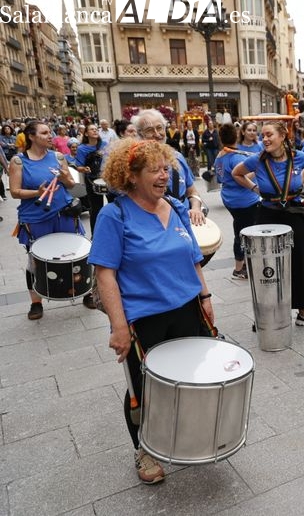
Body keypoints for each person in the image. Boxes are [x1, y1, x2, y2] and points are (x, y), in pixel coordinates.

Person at [88, 138, 215, 485]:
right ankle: (143, 450)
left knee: (190, 378)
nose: (163, 176)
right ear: (131, 175)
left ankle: (184, 436)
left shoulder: (174, 206)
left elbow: (192, 256)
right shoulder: (115, 215)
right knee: (143, 389)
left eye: (165, 169)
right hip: (144, 319)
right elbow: (105, 274)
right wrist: (118, 326)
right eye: (154, 170)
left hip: (187, 309)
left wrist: (205, 297)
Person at [232, 121, 304, 326]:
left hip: (294, 214)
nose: (264, 139)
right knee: (267, 266)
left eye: (269, 135)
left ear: (283, 136)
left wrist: (299, 180)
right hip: (267, 215)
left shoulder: (298, 157)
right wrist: (254, 188)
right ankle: (267, 314)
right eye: (262, 136)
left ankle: (303, 312)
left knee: (300, 262)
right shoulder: (257, 160)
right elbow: (236, 174)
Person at [8, 121, 93, 319]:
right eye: (45, 132)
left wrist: (65, 179)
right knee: (35, 260)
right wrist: (37, 192)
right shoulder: (19, 161)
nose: (50, 135)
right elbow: (14, 192)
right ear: (31, 136)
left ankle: (86, 292)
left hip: (64, 214)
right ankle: (36, 303)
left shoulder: (58, 156)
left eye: (50, 132)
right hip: (36, 218)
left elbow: (72, 184)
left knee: (77, 254)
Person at [131, 110, 206, 226]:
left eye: (159, 128)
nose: (157, 134)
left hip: (183, 221)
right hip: (152, 224)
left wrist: (196, 208)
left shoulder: (178, 157)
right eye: (149, 130)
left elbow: (192, 191)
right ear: (140, 134)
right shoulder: (134, 162)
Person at [215, 123, 259, 279]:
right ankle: (239, 268)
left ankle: (244, 264)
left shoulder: (220, 156)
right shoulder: (236, 157)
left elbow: (220, 177)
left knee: (241, 229)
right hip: (244, 200)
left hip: (229, 198)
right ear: (237, 135)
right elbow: (243, 177)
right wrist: (256, 169)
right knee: (243, 233)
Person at [75, 123, 108, 234]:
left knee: (114, 206)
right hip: (91, 181)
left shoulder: (105, 144)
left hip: (108, 179)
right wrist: (84, 169)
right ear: (86, 133)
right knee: (96, 209)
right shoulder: (81, 149)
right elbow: (78, 167)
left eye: (96, 129)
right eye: (92, 129)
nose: (95, 131)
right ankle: (95, 235)